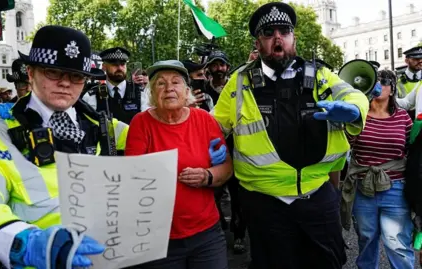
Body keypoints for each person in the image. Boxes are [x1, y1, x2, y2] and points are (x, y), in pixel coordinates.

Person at [0, 25, 132, 269]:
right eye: (54, 72)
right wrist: (22, 243)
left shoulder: (101, 126)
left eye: (76, 76)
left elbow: (155, 137)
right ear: (30, 73)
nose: (66, 83)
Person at [212, 3, 369, 268]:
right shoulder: (239, 81)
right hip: (264, 203)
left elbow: (352, 94)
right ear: (258, 42)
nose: (277, 38)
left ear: (293, 37)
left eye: (284, 31)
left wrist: (354, 109)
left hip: (316, 195)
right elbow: (214, 124)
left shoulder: (320, 75)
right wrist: (211, 144)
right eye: (268, 32)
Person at [126, 60, 233, 269]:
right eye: (160, 83)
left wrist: (207, 176)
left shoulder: (204, 119)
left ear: (186, 91)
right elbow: (133, 176)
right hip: (159, 238)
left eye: (176, 82)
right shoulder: (141, 123)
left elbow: (227, 167)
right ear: (151, 92)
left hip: (206, 234)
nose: (169, 89)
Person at [341, 70, 414, 269]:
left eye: (383, 81)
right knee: (366, 240)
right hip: (363, 188)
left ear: (392, 88)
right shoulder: (358, 115)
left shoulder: (403, 118)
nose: (378, 85)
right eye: (374, 81)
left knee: (397, 242)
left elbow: (412, 151)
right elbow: (345, 146)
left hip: (396, 187)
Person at [82, 47, 143, 124]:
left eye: (122, 64)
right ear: (104, 66)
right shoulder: (91, 96)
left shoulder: (140, 93)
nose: (120, 68)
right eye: (115, 64)